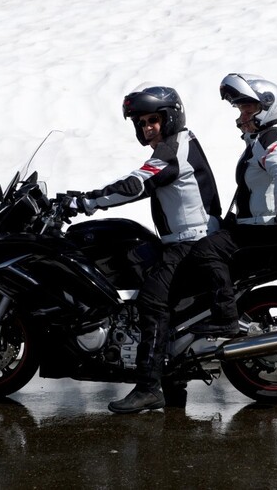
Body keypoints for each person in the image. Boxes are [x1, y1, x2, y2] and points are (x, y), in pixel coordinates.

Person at [66, 83, 222, 413]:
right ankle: (171, 372)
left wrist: (88, 201)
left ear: (170, 117)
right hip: (187, 238)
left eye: (153, 120)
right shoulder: (177, 144)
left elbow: (136, 184)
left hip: (190, 242)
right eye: (142, 123)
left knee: (152, 301)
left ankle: (150, 386)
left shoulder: (172, 151)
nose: (148, 128)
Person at [177, 73, 277, 337]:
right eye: (241, 108)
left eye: (249, 108)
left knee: (205, 251)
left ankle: (225, 318)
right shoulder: (261, 140)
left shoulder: (270, 139)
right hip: (257, 224)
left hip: (267, 229)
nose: (243, 114)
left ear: (267, 108)